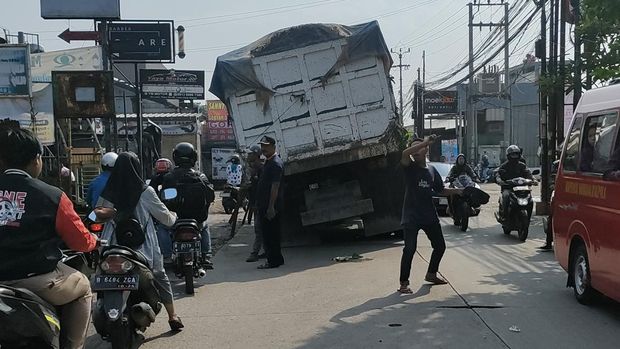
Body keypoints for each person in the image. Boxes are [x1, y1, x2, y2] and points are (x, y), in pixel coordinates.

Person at [0, 128, 98, 349]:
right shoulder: (52, 195)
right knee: (83, 286)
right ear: (36, 160)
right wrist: (93, 241)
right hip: (36, 280)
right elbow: (80, 242)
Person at [95, 152, 184, 331]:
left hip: (114, 245)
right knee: (159, 276)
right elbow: (166, 219)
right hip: (143, 248)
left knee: (103, 277)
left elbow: (96, 215)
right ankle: (172, 316)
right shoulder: (146, 191)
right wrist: (173, 217)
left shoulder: (109, 190)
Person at [398, 135, 463, 293]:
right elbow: (405, 153)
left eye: (419, 147)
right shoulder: (409, 166)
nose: (415, 151)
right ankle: (404, 283)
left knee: (440, 246)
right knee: (409, 249)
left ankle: (431, 274)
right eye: (414, 148)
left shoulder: (432, 170)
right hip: (411, 216)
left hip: (429, 215)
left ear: (426, 150)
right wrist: (425, 142)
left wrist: (459, 191)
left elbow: (441, 190)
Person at [162, 143, 216, 268]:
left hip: (175, 220)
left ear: (175, 157)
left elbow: (164, 198)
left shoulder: (169, 177)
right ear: (194, 157)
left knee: (162, 228)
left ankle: (167, 256)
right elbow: (210, 196)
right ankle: (206, 255)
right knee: (205, 226)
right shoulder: (201, 177)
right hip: (197, 219)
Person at [256, 136, 285, 269]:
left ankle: (273, 261)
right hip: (265, 204)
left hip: (270, 206)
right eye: (262, 146)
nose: (263, 149)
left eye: (266, 146)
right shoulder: (269, 161)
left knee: (270, 234)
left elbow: (275, 186)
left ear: (273, 146)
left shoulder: (275, 163)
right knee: (270, 233)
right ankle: (277, 259)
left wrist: (271, 207)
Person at [495, 145, 534, 221]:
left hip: (522, 188)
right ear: (509, 155)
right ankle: (505, 216)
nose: (514, 156)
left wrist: (532, 180)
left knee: (530, 199)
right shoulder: (504, 166)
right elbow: (498, 174)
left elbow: (528, 173)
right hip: (508, 188)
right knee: (506, 196)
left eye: (516, 154)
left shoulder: (522, 165)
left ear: (519, 155)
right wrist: (499, 180)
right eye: (513, 154)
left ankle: (529, 217)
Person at [243, 145, 266, 262]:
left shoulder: (261, 169)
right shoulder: (252, 169)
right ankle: (266, 250)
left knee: (258, 228)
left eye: (250, 154)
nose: (248, 156)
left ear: (256, 155)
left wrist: (257, 204)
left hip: (260, 204)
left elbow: (261, 189)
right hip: (255, 203)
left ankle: (254, 252)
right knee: (261, 228)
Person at [150, 158, 174, 262]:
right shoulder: (173, 177)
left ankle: (167, 254)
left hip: (162, 208)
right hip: (172, 207)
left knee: (161, 228)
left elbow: (151, 194)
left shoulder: (154, 179)